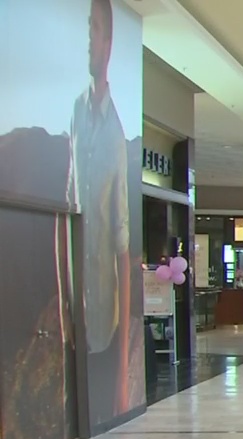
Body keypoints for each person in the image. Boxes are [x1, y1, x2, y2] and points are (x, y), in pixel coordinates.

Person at [69, 0, 135, 415]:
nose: (87, 39)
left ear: (108, 42)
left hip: (105, 330)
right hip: (75, 321)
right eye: (86, 27)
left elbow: (123, 250)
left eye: (94, 29)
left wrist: (123, 376)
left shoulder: (117, 135)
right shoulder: (76, 112)